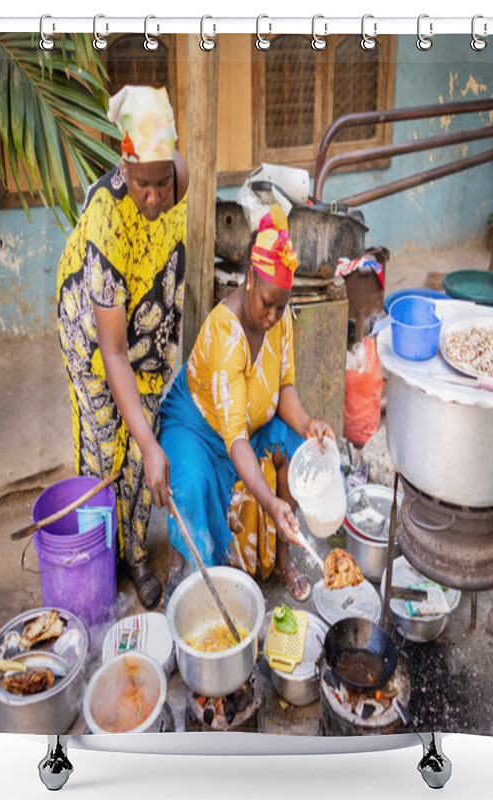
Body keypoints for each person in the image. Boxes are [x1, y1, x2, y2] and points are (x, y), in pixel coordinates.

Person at [159, 205, 335, 602]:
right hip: (199, 427)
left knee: (295, 443)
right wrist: (270, 502)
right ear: (250, 279)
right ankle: (184, 567)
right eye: (267, 304)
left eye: (281, 306)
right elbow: (235, 439)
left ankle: (285, 557)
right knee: (193, 486)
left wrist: (308, 424)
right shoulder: (226, 333)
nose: (273, 316)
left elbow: (284, 386)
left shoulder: (279, 316)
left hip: (251, 422)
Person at [56, 85, 189, 609]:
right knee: (107, 443)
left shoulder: (179, 174)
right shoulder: (106, 219)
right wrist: (150, 445)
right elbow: (112, 353)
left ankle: (134, 553)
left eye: (161, 183)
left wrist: (151, 445)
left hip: (148, 318)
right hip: (95, 336)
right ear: (123, 164)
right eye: (141, 184)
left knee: (143, 446)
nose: (154, 198)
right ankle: (101, 555)